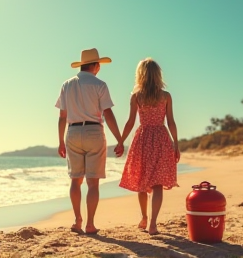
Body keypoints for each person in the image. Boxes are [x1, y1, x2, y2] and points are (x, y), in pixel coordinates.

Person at [55, 48, 124, 235]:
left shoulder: (66, 85)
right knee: (93, 183)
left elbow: (62, 117)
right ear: (94, 65)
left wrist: (60, 141)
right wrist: (119, 139)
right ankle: (90, 224)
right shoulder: (100, 84)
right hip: (94, 131)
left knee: (75, 180)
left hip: (73, 131)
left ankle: (77, 221)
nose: (100, 68)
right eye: (99, 64)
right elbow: (108, 113)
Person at [119, 57, 180, 235]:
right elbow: (171, 122)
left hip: (143, 138)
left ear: (141, 75)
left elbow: (130, 122)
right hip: (161, 138)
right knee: (158, 184)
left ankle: (144, 218)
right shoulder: (166, 96)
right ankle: (153, 223)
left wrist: (122, 141)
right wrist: (176, 144)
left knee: (141, 182)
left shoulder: (137, 96)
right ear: (158, 75)